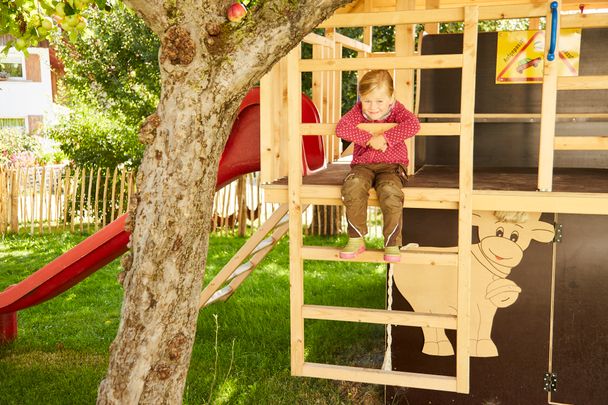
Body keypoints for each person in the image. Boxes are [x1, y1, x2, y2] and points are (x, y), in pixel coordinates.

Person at [336, 70, 420, 262]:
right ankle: (356, 238)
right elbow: (342, 128)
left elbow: (413, 125)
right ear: (361, 99)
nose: (373, 107)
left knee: (391, 192)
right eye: (367, 100)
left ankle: (391, 242)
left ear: (391, 98)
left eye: (379, 101)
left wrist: (385, 138)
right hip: (363, 166)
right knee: (353, 185)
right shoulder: (359, 110)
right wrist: (368, 139)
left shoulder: (397, 110)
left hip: (392, 166)